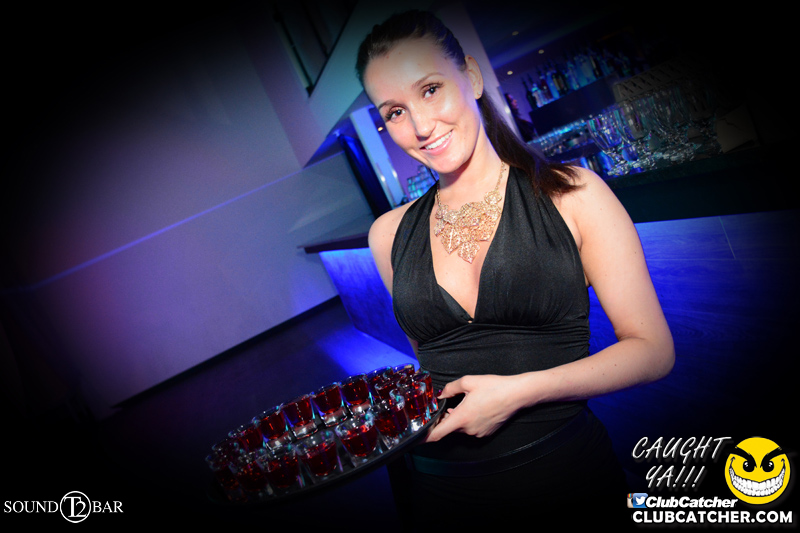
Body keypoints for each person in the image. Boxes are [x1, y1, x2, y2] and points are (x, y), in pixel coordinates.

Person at [356, 10, 674, 529]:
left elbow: (653, 351)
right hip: (439, 494)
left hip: (567, 481)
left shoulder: (574, 196)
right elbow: (430, 368)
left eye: (431, 89)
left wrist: (519, 391)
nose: (420, 127)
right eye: (394, 112)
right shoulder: (387, 234)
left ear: (472, 77)